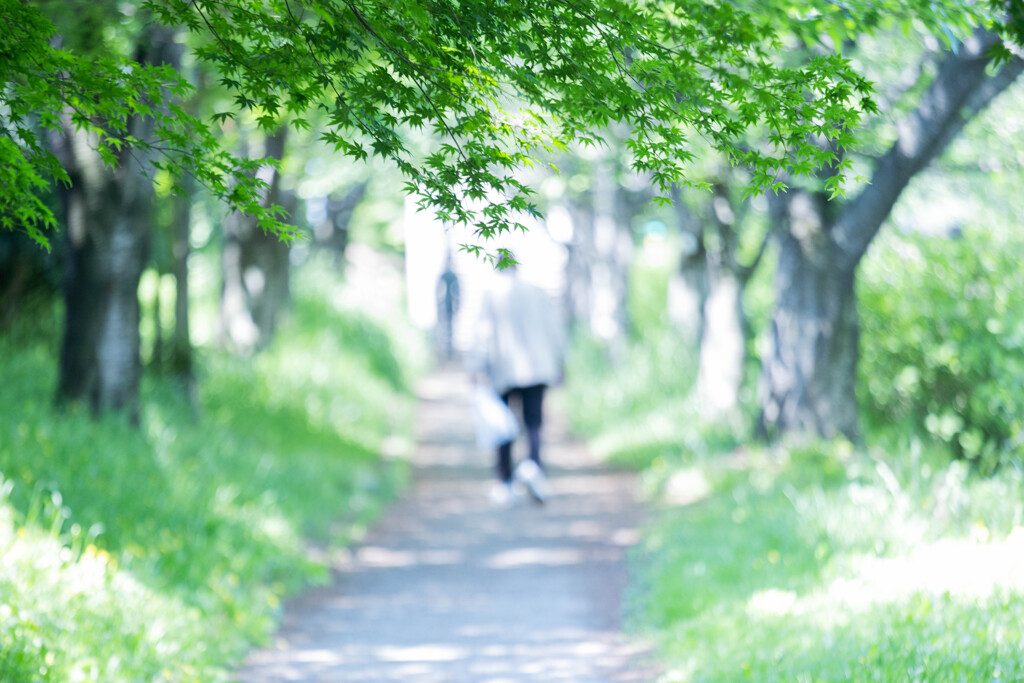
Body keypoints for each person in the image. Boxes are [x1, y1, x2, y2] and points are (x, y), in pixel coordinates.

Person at [474, 265, 566, 505]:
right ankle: (534, 469)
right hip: (538, 368)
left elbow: (482, 332)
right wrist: (560, 361)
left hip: (503, 369)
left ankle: (505, 481)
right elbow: (555, 328)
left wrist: (477, 366)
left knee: (503, 425)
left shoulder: (490, 293)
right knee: (533, 422)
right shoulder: (537, 291)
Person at [436, 254, 461, 360]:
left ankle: (450, 350)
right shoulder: (445, 275)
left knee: (450, 327)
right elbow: (438, 290)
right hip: (445, 303)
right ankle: (445, 350)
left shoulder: (451, 275)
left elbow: (458, 290)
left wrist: (457, 303)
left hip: (450, 304)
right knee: (444, 327)